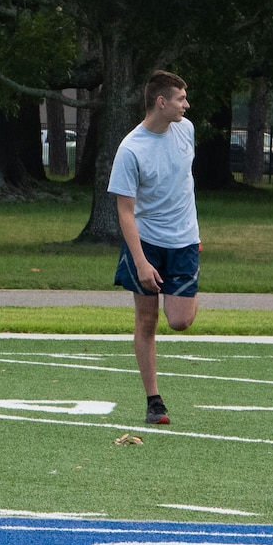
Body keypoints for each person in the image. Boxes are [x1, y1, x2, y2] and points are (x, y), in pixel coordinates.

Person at [108, 70, 199, 426]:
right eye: (180, 98)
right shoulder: (131, 149)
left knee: (180, 320)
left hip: (185, 240)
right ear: (161, 102)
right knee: (148, 319)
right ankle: (154, 401)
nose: (185, 105)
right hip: (146, 241)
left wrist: (193, 232)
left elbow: (183, 183)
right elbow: (125, 212)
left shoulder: (186, 131)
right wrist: (141, 262)